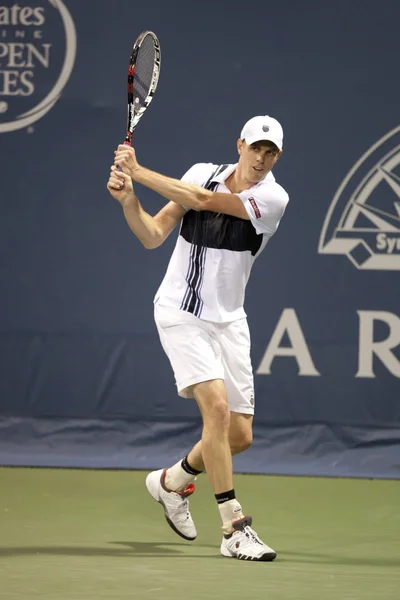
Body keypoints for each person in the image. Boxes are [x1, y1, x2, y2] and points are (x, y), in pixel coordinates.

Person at [107, 115, 289, 561]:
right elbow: (153, 236)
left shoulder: (272, 197)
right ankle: (233, 528)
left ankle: (171, 482)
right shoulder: (199, 170)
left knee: (239, 435)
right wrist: (130, 200)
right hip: (181, 312)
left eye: (272, 153)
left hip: (229, 321)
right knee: (217, 409)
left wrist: (139, 170)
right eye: (257, 149)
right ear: (240, 144)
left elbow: (203, 199)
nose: (262, 160)